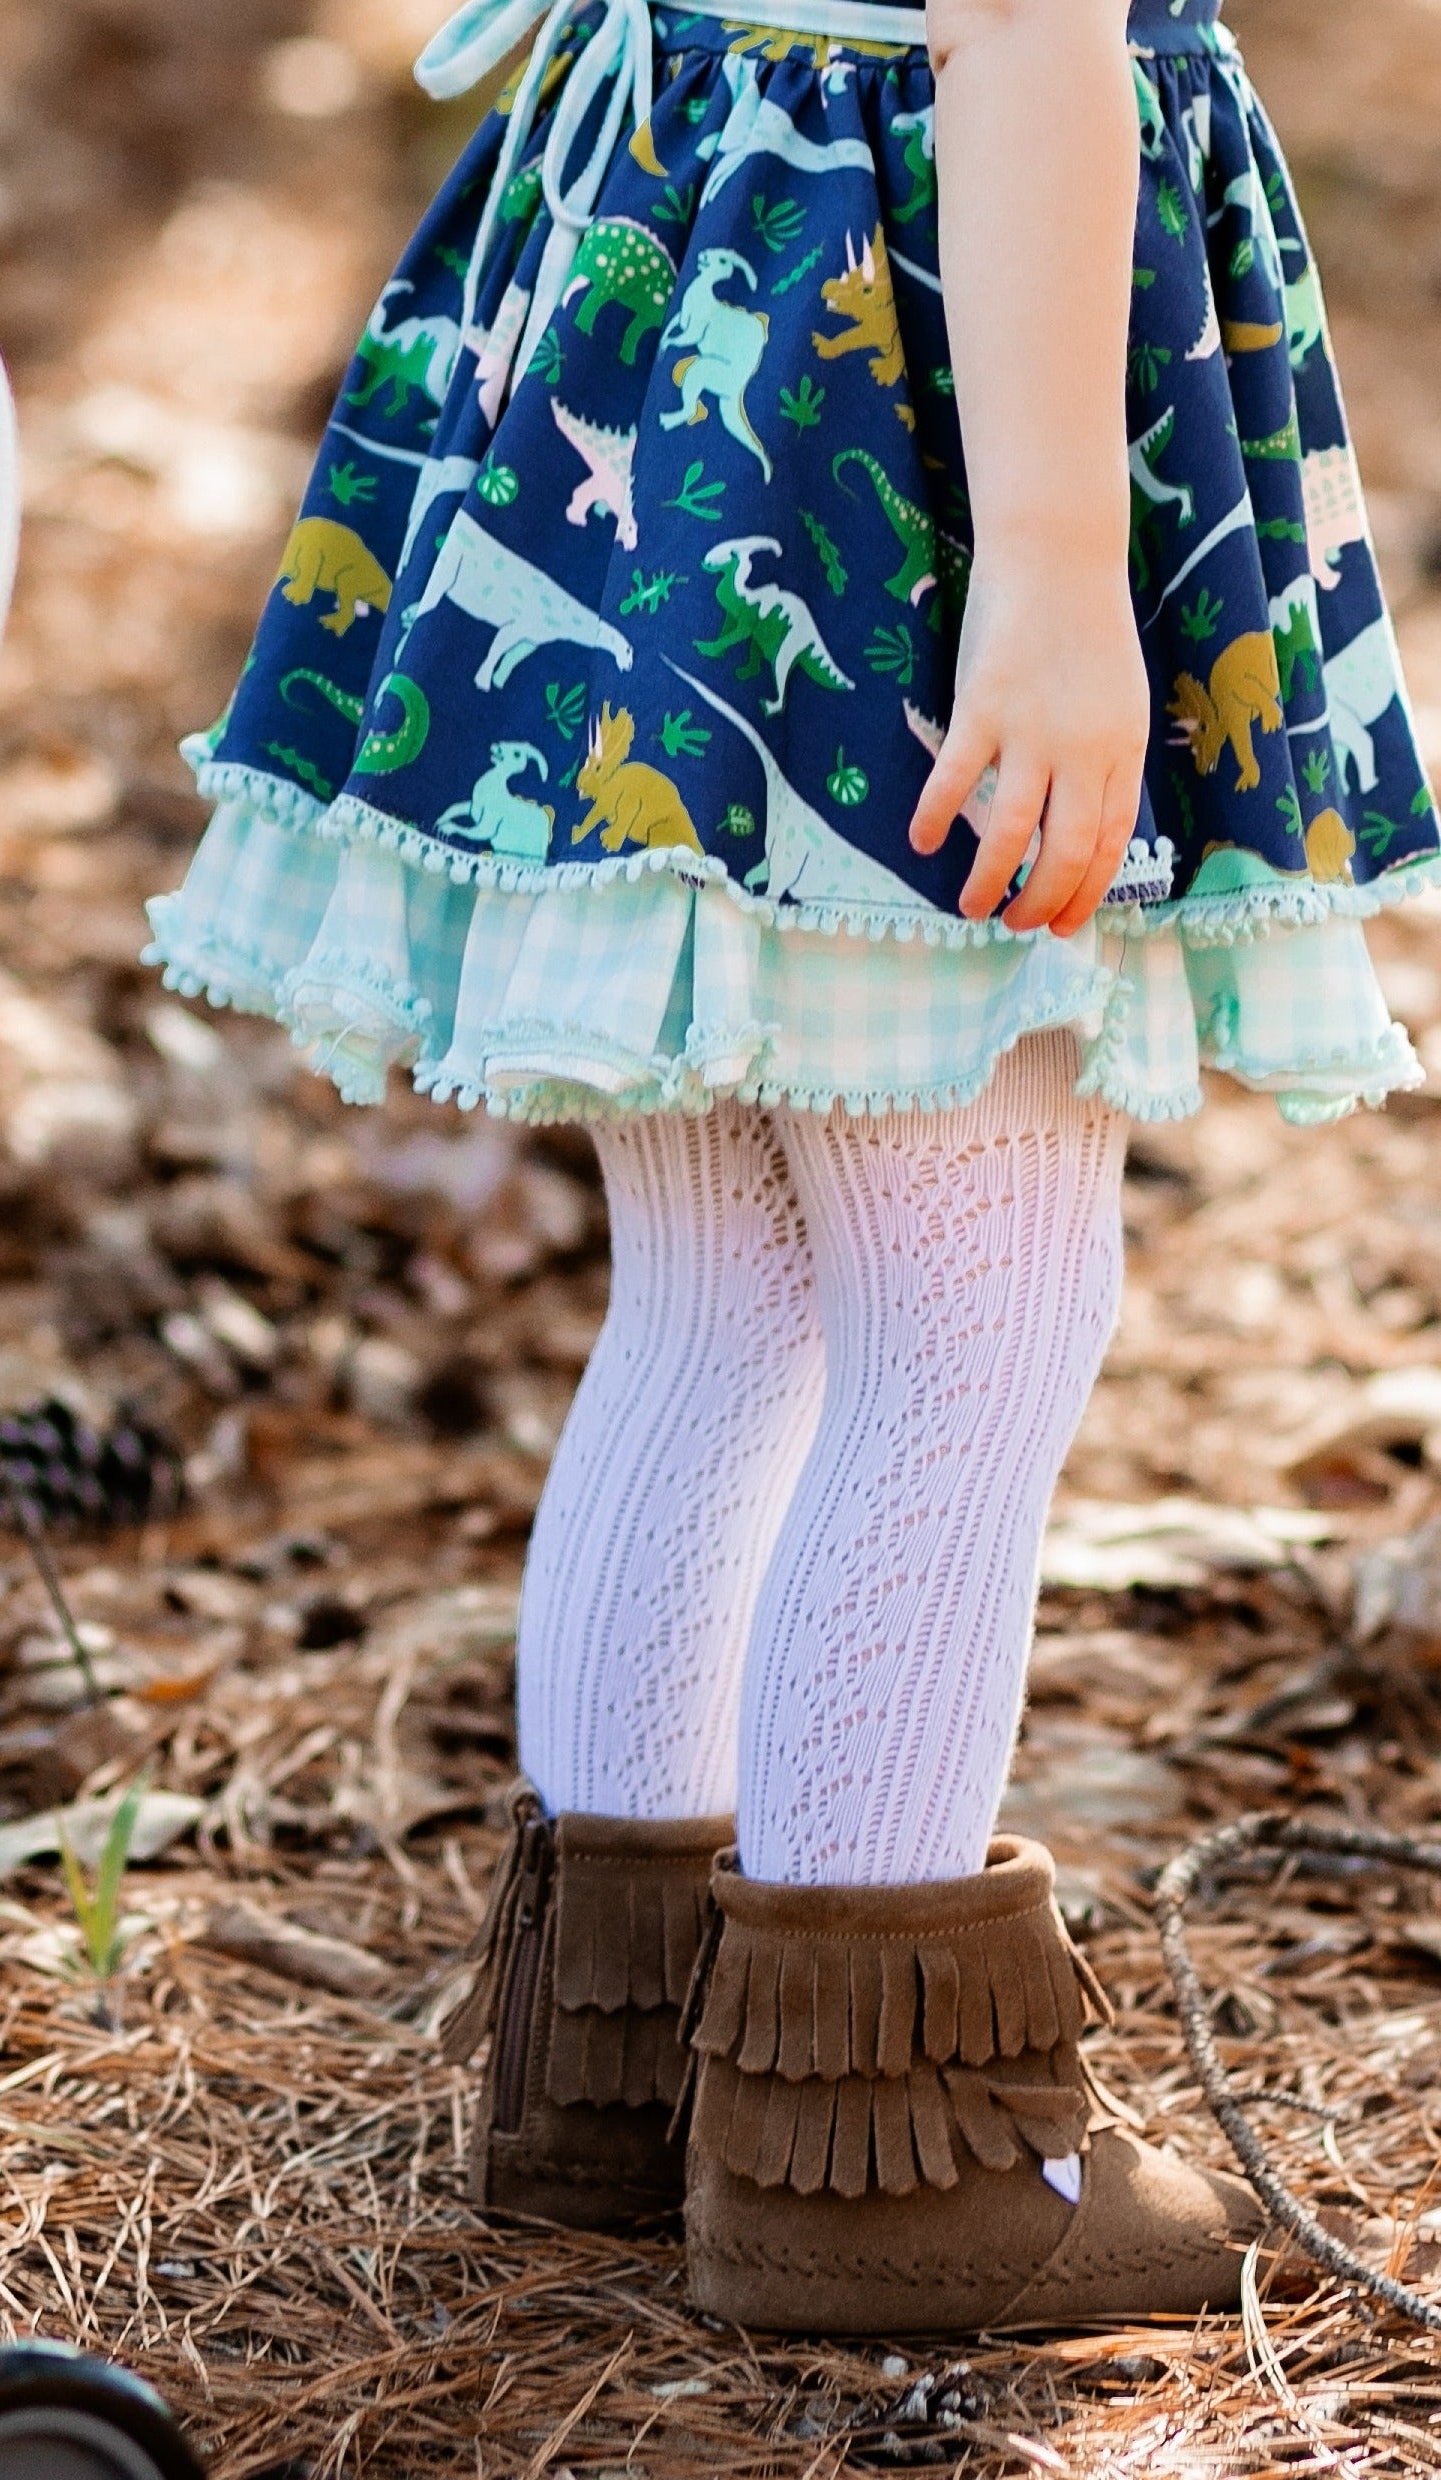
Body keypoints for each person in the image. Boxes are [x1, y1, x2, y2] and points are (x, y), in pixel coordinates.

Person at [146, 0, 1435, 2334]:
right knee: (978, 1313)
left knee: (724, 1296)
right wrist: (1049, 567)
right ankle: (886, 2161)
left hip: (656, 369)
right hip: (904, 426)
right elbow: (1024, 35)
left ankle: (635, 2070)